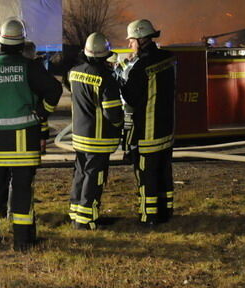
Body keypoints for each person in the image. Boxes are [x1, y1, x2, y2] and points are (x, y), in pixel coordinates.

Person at [0, 18, 62, 251]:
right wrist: (40, 114)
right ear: (21, 43)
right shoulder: (29, 66)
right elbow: (54, 89)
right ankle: (22, 240)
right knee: (21, 189)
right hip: (25, 140)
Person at [120, 19, 176, 226]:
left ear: (142, 39)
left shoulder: (141, 68)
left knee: (147, 175)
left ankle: (148, 216)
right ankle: (166, 211)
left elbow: (131, 98)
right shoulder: (168, 58)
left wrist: (120, 78)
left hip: (147, 132)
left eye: (132, 40)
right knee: (164, 171)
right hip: (167, 130)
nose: (129, 45)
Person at [67, 32, 124, 230]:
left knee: (80, 173)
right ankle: (87, 219)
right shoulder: (105, 78)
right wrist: (119, 126)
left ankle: (75, 212)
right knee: (95, 176)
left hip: (79, 136)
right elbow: (113, 113)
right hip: (99, 138)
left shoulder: (74, 72)